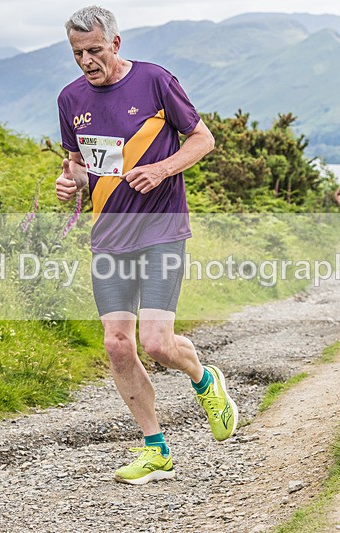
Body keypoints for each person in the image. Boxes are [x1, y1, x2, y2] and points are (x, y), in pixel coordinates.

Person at [55, 6, 237, 485]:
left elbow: (202, 139)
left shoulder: (155, 81)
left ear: (115, 44)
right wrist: (68, 181)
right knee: (117, 346)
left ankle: (203, 377)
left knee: (156, 344)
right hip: (109, 237)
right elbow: (78, 163)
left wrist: (162, 168)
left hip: (161, 230)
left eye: (94, 50)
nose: (87, 61)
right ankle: (156, 449)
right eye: (78, 54)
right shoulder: (70, 99)